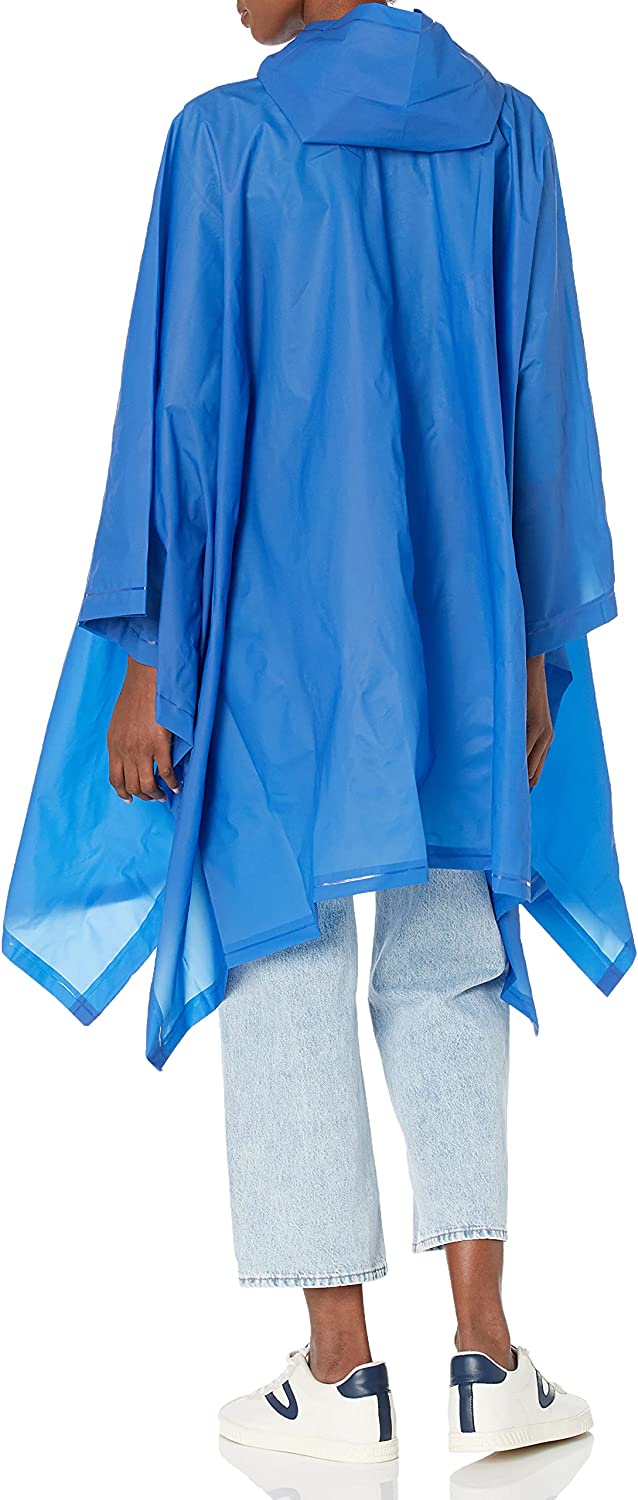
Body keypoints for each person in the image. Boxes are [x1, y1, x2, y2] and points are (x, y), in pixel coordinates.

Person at [3, 0, 634, 1464]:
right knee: (451, 955)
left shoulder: (224, 138)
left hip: (275, 634)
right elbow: (543, 401)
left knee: (278, 952)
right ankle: (488, 1358)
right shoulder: (506, 132)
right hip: (456, 629)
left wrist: (150, 658)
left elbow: (175, 411)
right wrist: (530, 648)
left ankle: (342, 1378)